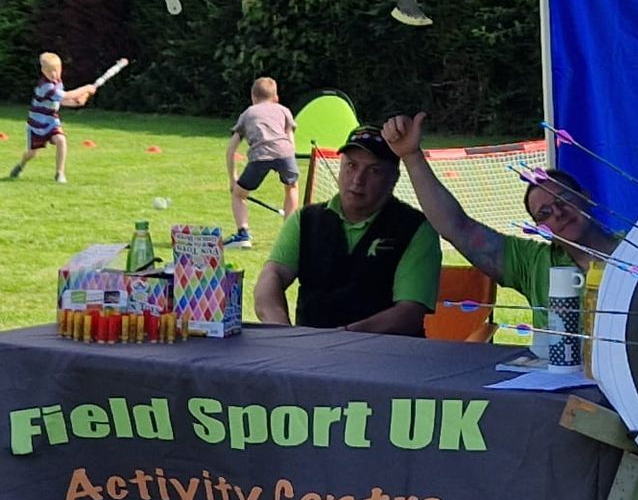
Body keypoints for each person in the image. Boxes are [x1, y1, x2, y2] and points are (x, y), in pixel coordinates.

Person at [382, 111, 618, 330]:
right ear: (540, 228)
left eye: (563, 199)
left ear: (586, 198)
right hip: (562, 372)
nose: (557, 213)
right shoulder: (533, 264)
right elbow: (457, 227)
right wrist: (412, 157)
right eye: (544, 213)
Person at [254, 124, 440, 334]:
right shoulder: (305, 219)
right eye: (351, 165)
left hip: (388, 356)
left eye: (374, 170)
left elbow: (409, 314)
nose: (358, 180)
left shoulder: (416, 229)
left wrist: (341, 336)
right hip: (309, 354)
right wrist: (283, 330)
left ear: (394, 178)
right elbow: (272, 275)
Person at [223, 75, 299, 248]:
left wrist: (232, 179)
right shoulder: (284, 110)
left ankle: (243, 234)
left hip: (260, 156)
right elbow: (290, 141)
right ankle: (289, 235)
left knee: (239, 194)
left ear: (253, 97)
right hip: (285, 152)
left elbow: (230, 150)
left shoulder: (248, 113)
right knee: (292, 188)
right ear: (276, 98)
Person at [7, 52, 100, 184]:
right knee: (32, 154)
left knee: (61, 140)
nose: (54, 74)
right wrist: (86, 88)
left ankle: (59, 173)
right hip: (37, 125)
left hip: (51, 122)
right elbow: (67, 95)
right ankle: (20, 165)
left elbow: (60, 101)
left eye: (57, 70)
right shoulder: (45, 87)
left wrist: (77, 102)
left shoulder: (57, 83)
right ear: (43, 71)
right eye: (50, 71)